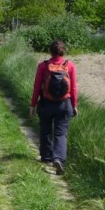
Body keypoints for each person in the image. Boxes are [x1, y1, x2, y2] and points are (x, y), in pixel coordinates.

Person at [29, 40, 78, 174]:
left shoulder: (43, 66)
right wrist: (74, 105)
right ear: (63, 51)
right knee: (61, 133)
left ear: (50, 51)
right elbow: (73, 88)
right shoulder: (70, 66)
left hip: (46, 103)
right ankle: (59, 158)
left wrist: (33, 105)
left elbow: (37, 87)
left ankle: (46, 157)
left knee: (45, 130)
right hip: (64, 104)